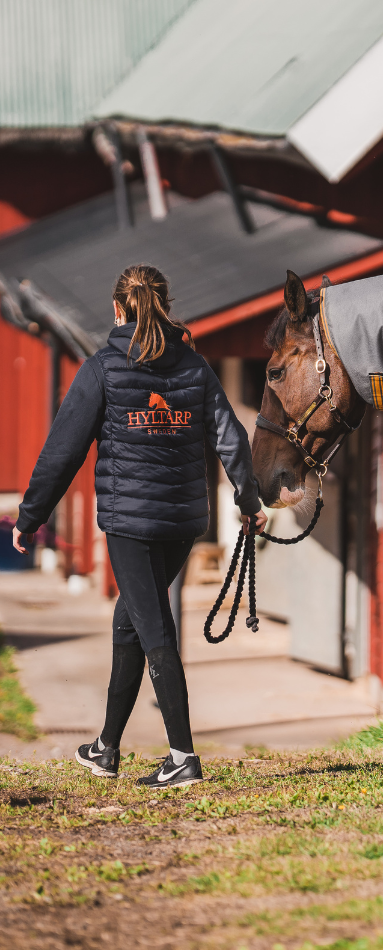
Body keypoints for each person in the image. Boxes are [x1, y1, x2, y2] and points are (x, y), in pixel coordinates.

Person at [13, 264, 266, 789]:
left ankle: (182, 757)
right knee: (130, 623)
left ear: (117, 309)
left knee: (152, 630)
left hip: (129, 522)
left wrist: (31, 516)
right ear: (167, 308)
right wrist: (247, 499)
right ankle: (106, 747)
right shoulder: (195, 367)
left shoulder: (103, 367)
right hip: (182, 522)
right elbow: (229, 437)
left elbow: (63, 450)